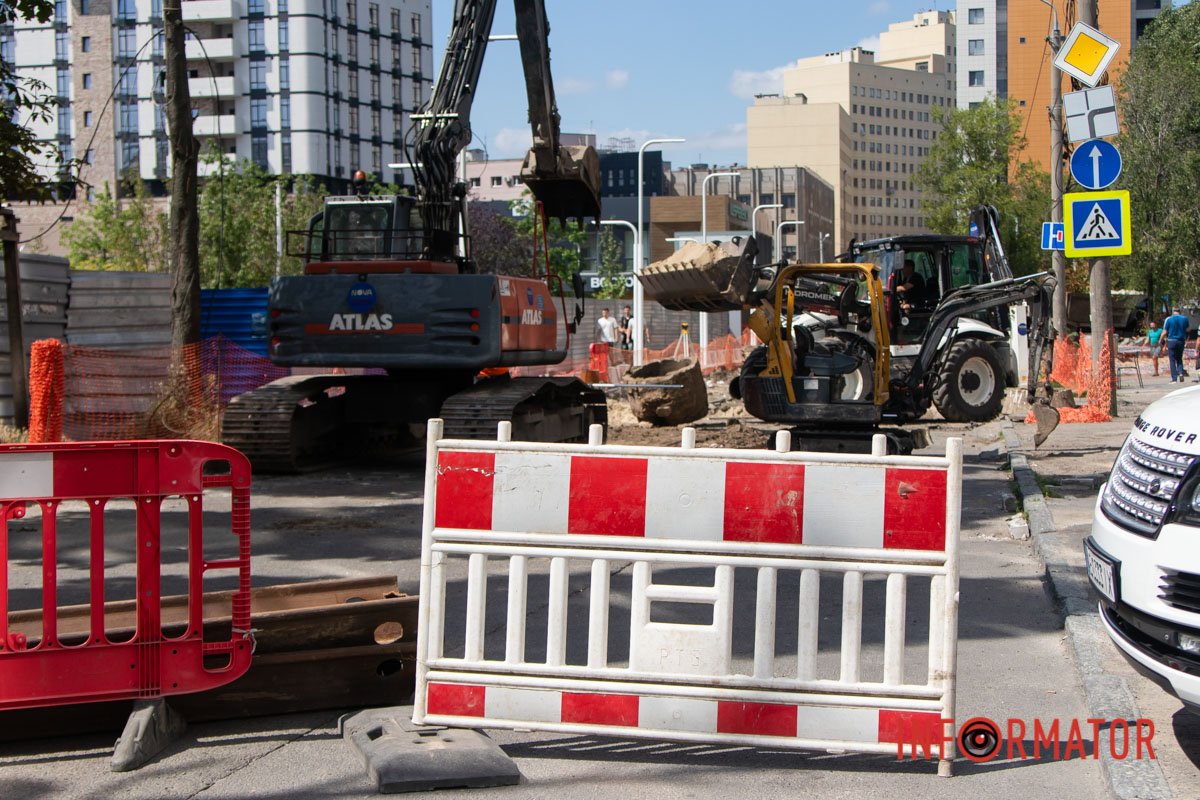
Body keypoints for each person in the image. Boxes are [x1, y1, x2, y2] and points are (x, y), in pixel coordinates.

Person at [1163, 307, 1190, 383]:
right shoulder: (1185, 319)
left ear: (1173, 311)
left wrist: (1160, 340)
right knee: (1179, 358)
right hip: (1181, 340)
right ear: (1179, 311)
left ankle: (1174, 378)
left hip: (1172, 340)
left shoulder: (1169, 319)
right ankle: (1180, 373)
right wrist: (1186, 338)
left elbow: (1165, 331)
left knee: (1172, 360)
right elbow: (1188, 330)